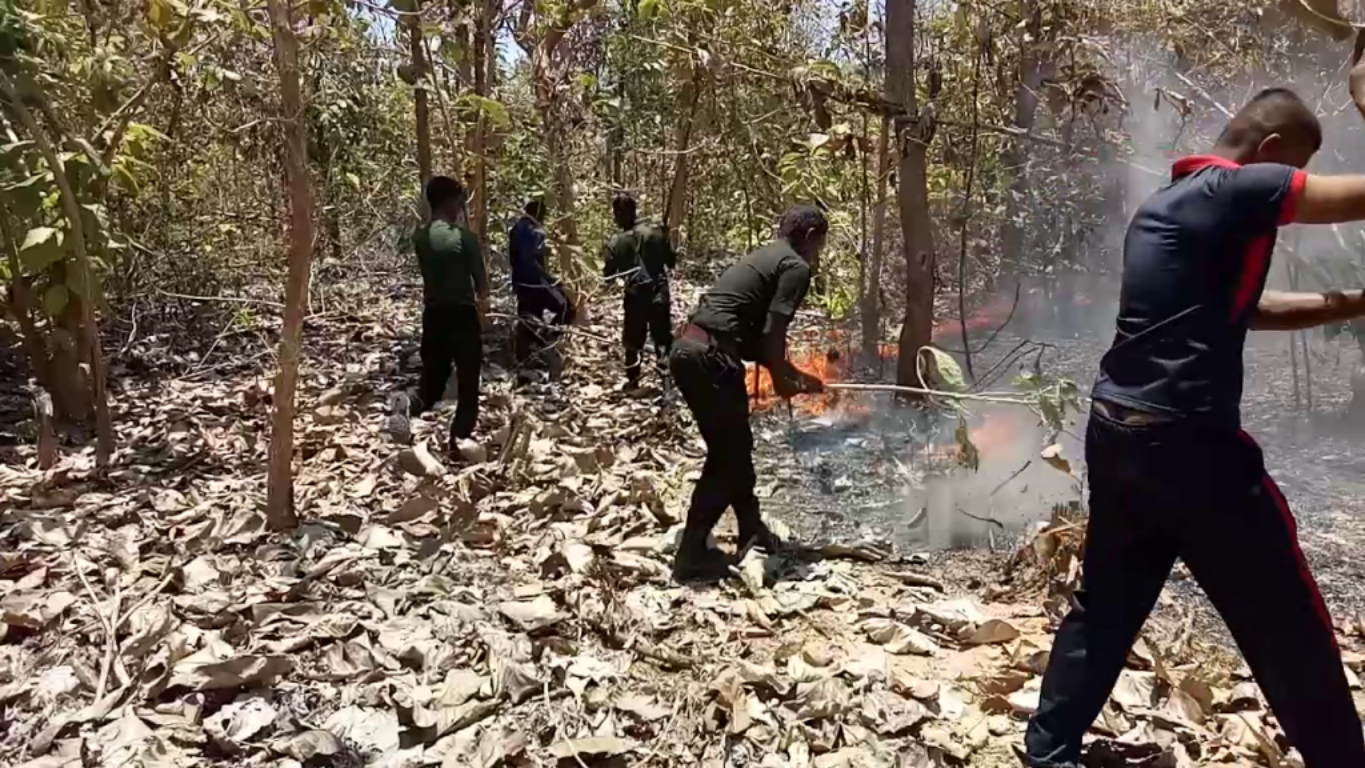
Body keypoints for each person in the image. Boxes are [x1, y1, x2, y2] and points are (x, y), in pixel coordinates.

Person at [1024, 51, 1365, 768]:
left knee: (1107, 606)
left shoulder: (1166, 206)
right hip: (1191, 447)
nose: (1289, 194)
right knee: (1287, 618)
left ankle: (1047, 753)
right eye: (1296, 171)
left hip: (1118, 429)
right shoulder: (1240, 187)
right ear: (1272, 151)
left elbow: (1247, 308)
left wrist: (1353, 303)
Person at [669, 205, 828, 582]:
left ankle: (750, 528)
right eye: (820, 244)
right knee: (728, 458)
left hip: (689, 352)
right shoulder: (795, 267)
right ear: (809, 237)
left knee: (735, 449)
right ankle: (691, 553)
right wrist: (784, 380)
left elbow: (754, 342)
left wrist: (794, 375)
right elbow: (773, 334)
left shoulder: (766, 257)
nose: (818, 254)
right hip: (710, 359)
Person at [387, 176, 487, 447]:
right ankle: (459, 440)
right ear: (453, 202)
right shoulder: (466, 239)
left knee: (431, 385)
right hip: (462, 317)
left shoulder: (420, 238)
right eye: (460, 201)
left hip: (433, 317)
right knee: (468, 386)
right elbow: (482, 285)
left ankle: (406, 403)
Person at [602, 192, 676, 389]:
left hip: (635, 296)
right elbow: (671, 262)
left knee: (633, 342)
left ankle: (633, 382)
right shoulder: (657, 232)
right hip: (659, 292)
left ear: (618, 214)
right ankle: (667, 385)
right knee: (662, 340)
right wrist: (665, 239)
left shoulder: (615, 242)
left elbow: (608, 275)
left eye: (615, 215)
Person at [509, 199, 574, 371]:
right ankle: (546, 341)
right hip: (536, 281)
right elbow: (531, 258)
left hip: (520, 281)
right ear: (538, 215)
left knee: (527, 318)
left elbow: (514, 258)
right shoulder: (537, 232)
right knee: (566, 307)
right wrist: (550, 279)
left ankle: (524, 362)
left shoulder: (515, 229)